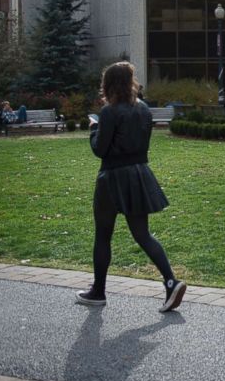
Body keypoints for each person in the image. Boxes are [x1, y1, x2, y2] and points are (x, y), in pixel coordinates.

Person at [77, 61, 186, 312]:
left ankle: (98, 291)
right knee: (143, 234)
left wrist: (94, 130)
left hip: (112, 178)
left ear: (108, 84)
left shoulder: (108, 112)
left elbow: (100, 149)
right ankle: (171, 281)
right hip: (139, 175)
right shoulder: (144, 109)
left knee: (103, 235)